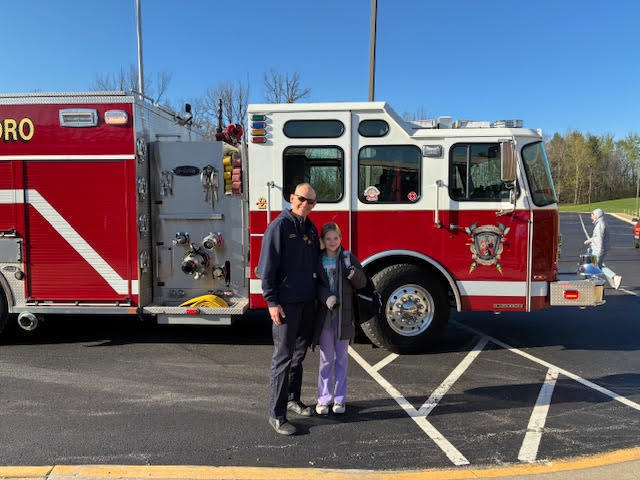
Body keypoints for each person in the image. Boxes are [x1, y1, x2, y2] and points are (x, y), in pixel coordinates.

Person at [257, 183, 320, 436]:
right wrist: (272, 302)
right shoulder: (279, 226)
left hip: (307, 302)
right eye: (303, 199)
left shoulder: (310, 228)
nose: (306, 204)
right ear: (292, 198)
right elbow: (267, 267)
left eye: (312, 201)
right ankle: (277, 414)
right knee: (282, 358)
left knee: (298, 356)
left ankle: (293, 399)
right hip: (286, 304)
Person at [312, 222, 366, 415]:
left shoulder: (347, 258)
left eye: (335, 238)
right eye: (328, 239)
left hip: (344, 316)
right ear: (322, 241)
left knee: (342, 358)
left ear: (341, 239)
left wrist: (353, 273)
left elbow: (362, 283)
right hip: (325, 317)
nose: (332, 242)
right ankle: (323, 399)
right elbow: (314, 285)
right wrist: (326, 296)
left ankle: (340, 399)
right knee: (326, 359)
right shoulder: (317, 259)